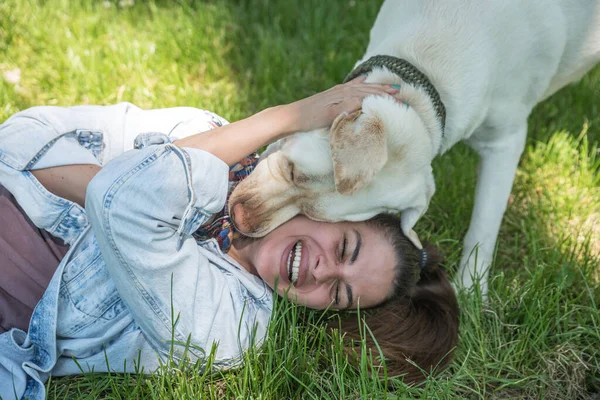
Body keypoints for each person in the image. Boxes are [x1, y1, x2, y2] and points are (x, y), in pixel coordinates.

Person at [0, 79, 458, 399]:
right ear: (334, 204)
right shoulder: (213, 130)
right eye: (344, 248)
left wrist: (282, 118)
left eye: (338, 294)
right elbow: (25, 132)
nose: (323, 270)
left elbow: (122, 203)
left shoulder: (235, 324)